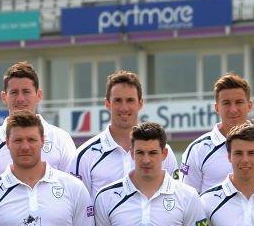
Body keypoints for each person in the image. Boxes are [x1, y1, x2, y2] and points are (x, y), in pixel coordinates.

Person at [0, 61, 76, 197]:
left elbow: (74, 191)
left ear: (39, 95)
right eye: (14, 92)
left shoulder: (61, 139)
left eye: (26, 92)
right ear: (4, 97)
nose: (20, 98)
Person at [180, 73, 254, 194]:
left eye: (239, 102)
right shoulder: (197, 150)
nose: (233, 109)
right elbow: (187, 200)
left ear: (249, 106)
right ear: (217, 108)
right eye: (226, 103)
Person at [73, 71, 177, 199]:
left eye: (130, 100)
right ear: (107, 104)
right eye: (117, 100)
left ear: (140, 104)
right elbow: (80, 209)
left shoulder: (163, 152)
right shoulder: (84, 156)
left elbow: (175, 200)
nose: (124, 108)